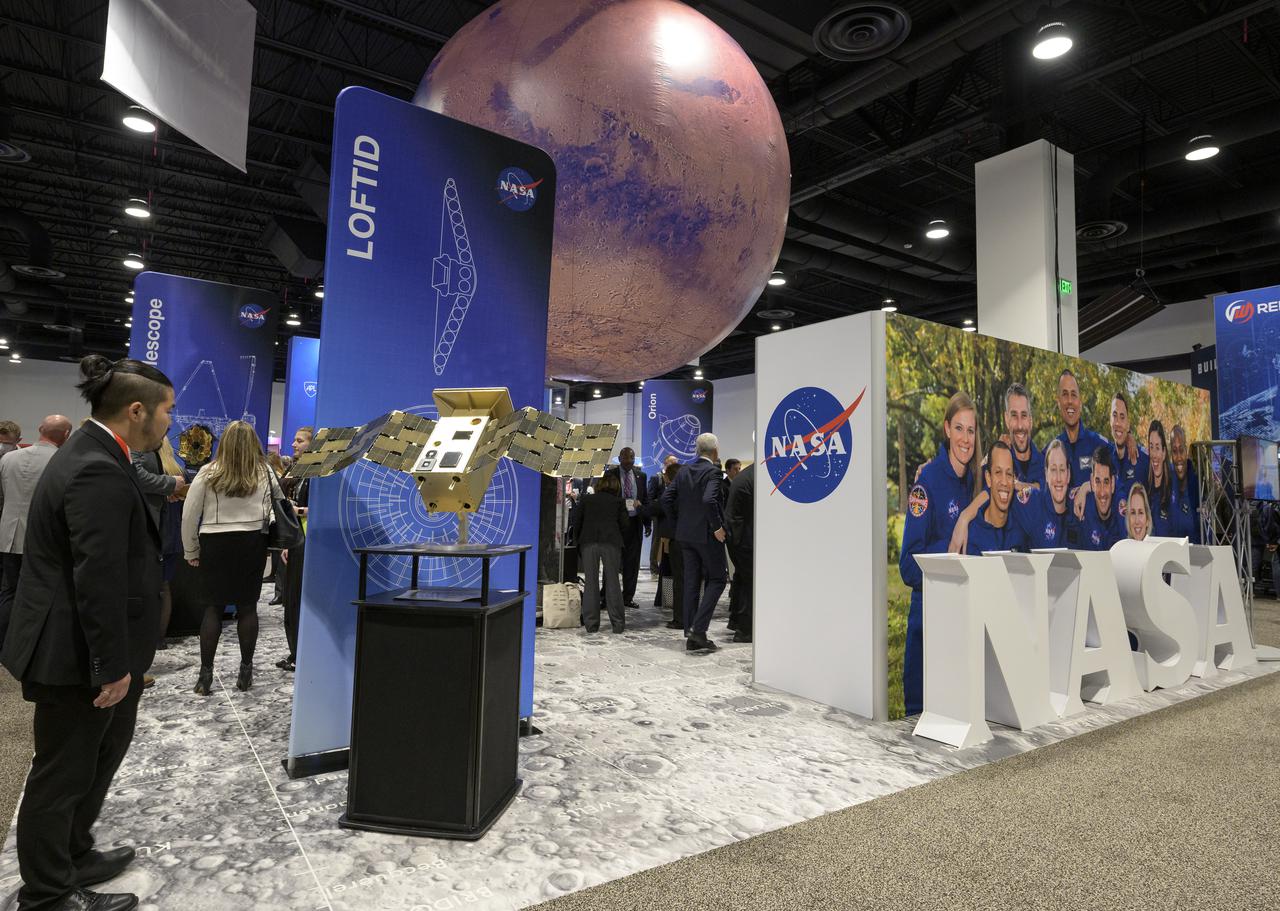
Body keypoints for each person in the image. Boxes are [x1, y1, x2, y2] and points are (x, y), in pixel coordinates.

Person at [1, 355, 174, 911]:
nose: (170, 421)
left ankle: (74, 854)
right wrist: (110, 665)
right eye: (168, 410)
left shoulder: (97, 452)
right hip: (73, 651)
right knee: (63, 772)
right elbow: (96, 576)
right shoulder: (95, 464)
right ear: (137, 409)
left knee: (96, 758)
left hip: (83, 645)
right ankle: (48, 893)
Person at [899, 392, 980, 715]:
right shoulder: (927, 482)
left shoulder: (974, 482)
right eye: (959, 428)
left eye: (971, 430)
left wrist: (968, 514)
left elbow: (1006, 486)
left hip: (962, 626)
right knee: (920, 718)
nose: (965, 439)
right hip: (928, 626)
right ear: (947, 429)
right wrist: (950, 553)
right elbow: (908, 566)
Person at [181, 420, 274, 695]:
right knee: (248, 608)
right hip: (252, 542)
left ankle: (205, 675)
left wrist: (191, 550)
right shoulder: (265, 471)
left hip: (215, 542)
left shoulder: (208, 472)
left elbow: (189, 515)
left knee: (213, 609)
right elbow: (276, 507)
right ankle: (245, 672)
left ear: (223, 443)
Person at [0, 415, 73, 648]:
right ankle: (28, 647)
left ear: (40, 429)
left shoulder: (8, 458)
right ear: (67, 435)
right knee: (39, 595)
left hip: (7, 536)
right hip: (42, 540)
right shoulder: (62, 461)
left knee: (8, 592)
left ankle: (4, 646)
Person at [663, 432, 730, 652]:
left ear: (697, 450)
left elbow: (666, 499)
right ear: (715, 451)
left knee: (691, 583)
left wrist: (678, 525)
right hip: (707, 536)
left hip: (685, 536)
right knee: (718, 579)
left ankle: (691, 635)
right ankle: (698, 630)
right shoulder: (714, 472)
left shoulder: (684, 471)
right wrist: (717, 527)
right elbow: (709, 499)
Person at [953, 438, 1072, 554]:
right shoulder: (1032, 502)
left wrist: (1085, 488)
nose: (1058, 478)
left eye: (1062, 470)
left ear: (1069, 474)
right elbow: (994, 492)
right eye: (1053, 470)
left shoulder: (1077, 505)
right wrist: (965, 516)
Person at [131, 436, 189, 651]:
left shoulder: (147, 465)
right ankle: (159, 638)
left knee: (145, 587)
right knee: (164, 588)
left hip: (151, 535)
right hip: (172, 537)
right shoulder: (178, 471)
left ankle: (144, 637)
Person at [570, 472, 629, 633]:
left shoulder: (586, 500)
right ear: (616, 486)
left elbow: (577, 521)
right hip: (611, 542)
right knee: (613, 582)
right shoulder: (619, 502)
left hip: (588, 542)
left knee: (591, 582)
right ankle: (617, 624)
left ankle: (591, 624)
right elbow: (625, 525)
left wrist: (577, 542)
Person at [278, 426, 313, 672]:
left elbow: (319, 508)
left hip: (307, 542)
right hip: (296, 541)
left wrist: (297, 510)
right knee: (290, 601)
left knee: (298, 600)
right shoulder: (301, 471)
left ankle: (300, 654)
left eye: (299, 441)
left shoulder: (316, 475)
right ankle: (294, 652)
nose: (294, 444)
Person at [603, 447, 649, 609]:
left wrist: (647, 523)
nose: (629, 461)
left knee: (632, 563)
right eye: (626, 458)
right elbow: (605, 498)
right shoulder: (610, 475)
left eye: (631, 458)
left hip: (635, 523)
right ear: (620, 458)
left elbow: (645, 500)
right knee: (612, 562)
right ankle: (606, 597)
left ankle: (628, 597)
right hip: (616, 525)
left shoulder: (641, 476)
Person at [964, 442, 1027, 554]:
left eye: (1009, 474)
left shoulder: (1021, 529)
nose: (1004, 482)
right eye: (998, 472)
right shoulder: (972, 536)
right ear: (988, 478)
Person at [1055, 369, 1109, 499]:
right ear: (1058, 402)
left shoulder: (1098, 443)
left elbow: (1120, 462)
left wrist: (1128, 437)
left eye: (1074, 395)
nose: (1069, 400)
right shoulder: (1052, 450)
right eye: (1065, 394)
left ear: (1080, 401)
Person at [650, 461, 685, 630]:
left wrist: (639, 507)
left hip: (677, 541)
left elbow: (657, 507)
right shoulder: (691, 491)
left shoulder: (670, 494)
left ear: (668, 477)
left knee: (679, 580)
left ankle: (680, 619)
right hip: (691, 540)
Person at [1068, 446, 1124, 551]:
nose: (1102, 492)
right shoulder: (1082, 503)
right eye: (1097, 481)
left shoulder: (1121, 507)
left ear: (1113, 484)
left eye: (1106, 482)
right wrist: (1083, 489)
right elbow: (1058, 491)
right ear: (1091, 482)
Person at [724, 461, 754, 643]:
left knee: (742, 580)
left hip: (736, 535)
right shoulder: (755, 477)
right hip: (743, 537)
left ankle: (736, 623)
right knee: (748, 583)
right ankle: (744, 630)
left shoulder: (746, 476)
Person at [1108, 392, 1148, 514]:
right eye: (1114, 416)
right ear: (1110, 420)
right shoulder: (1106, 458)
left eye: (1122, 417)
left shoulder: (1143, 458)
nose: (1118, 423)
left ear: (1128, 424)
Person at [647, 453, 679, 599]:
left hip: (672, 512)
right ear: (665, 464)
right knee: (657, 539)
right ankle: (654, 568)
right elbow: (650, 496)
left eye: (676, 462)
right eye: (672, 462)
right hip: (659, 513)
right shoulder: (657, 478)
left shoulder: (678, 477)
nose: (674, 465)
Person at [1003, 383, 1044, 490]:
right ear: (1007, 420)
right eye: (1014, 416)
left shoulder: (1045, 465)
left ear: (1030, 421)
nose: (1020, 425)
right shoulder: (998, 465)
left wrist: (1018, 485)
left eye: (1024, 415)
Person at [1169, 425, 1201, 543]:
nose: (1178, 457)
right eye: (1174, 451)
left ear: (1186, 450)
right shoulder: (1166, 482)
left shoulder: (1199, 483)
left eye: (1181, 450)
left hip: (1196, 551)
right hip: (1172, 551)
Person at [1146, 420, 1177, 537]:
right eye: (1151, 447)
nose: (1154, 454)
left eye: (1157, 447)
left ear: (1164, 453)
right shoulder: (1145, 488)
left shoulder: (1174, 487)